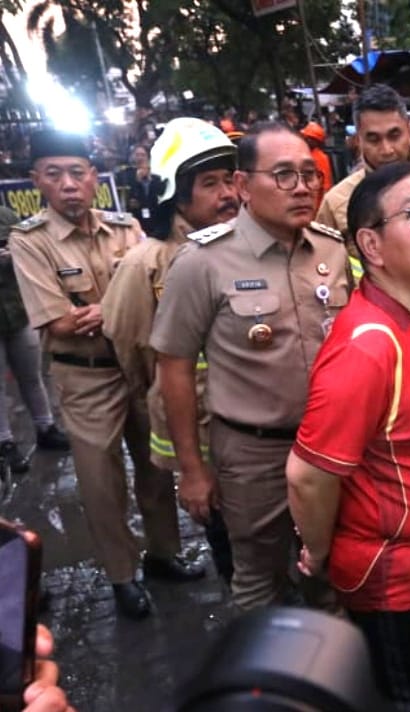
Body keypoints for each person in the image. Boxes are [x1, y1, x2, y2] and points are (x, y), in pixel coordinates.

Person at [288, 162, 410, 712]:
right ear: (371, 245)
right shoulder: (368, 348)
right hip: (397, 580)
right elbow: (308, 475)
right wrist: (320, 554)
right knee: (407, 697)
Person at [150, 122, 352, 610]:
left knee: (331, 566)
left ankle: (328, 670)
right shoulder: (203, 262)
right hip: (252, 454)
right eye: (282, 175)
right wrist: (192, 471)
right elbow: (173, 367)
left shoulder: (332, 249)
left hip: (328, 446)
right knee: (259, 580)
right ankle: (261, 680)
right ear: (243, 186)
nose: (302, 187)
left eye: (308, 174)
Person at [9, 129, 199, 620]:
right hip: (85, 376)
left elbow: (160, 292)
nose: (69, 184)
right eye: (55, 175)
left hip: (138, 364)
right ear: (37, 182)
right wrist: (122, 302)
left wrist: (103, 309)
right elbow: (59, 323)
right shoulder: (30, 242)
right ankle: (121, 574)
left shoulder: (126, 227)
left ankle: (163, 552)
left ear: (94, 177)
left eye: (77, 172)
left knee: (157, 467)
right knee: (101, 480)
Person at [101, 118, 240, 583]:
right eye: (209, 184)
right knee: (232, 549)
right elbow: (129, 346)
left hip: (254, 437)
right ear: (177, 195)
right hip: (200, 438)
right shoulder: (147, 263)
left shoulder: (247, 247)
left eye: (229, 180)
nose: (227, 195)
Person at [0, 207, 69, 475]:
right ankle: (5, 443)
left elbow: (29, 249)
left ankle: (46, 428)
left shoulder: (6, 215)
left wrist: (14, 257)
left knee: (32, 376)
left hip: (19, 311)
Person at [316, 84, 410, 237]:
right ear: (358, 140)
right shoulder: (336, 204)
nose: (386, 150)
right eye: (374, 139)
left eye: (394, 136)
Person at [118, 144, 158, 233]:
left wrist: (150, 179)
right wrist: (137, 181)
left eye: (143, 155)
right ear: (132, 157)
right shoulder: (125, 175)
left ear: (148, 157)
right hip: (135, 217)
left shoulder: (156, 176)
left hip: (153, 219)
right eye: (137, 155)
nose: (140, 158)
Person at [300, 121, 334, 209]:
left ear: (315, 140)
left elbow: (326, 185)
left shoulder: (321, 158)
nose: (305, 139)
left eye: (308, 138)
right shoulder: (303, 153)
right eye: (305, 137)